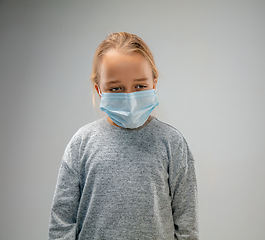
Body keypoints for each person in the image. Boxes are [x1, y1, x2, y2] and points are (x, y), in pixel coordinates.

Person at [48, 32, 198, 240]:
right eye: (116, 88)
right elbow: (61, 223)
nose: (129, 98)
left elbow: (186, 225)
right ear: (99, 89)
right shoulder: (81, 144)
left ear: (154, 83)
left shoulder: (172, 143)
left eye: (140, 86)